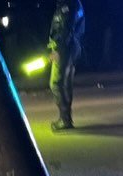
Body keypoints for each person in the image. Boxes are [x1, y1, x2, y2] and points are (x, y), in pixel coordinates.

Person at [48, 0, 85, 131]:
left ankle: (64, 119)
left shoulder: (68, 5)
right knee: (65, 84)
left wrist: (57, 48)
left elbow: (65, 28)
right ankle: (66, 118)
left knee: (56, 83)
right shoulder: (73, 4)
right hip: (72, 47)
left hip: (65, 48)